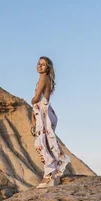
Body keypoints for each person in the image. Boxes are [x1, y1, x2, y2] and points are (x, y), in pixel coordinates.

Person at [31, 56, 71, 188]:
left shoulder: (43, 78)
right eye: (38, 64)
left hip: (43, 111)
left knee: (41, 143)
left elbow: (37, 98)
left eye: (43, 64)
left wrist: (32, 100)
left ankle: (49, 175)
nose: (40, 66)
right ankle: (55, 167)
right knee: (46, 141)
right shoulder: (45, 79)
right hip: (43, 111)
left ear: (48, 67)